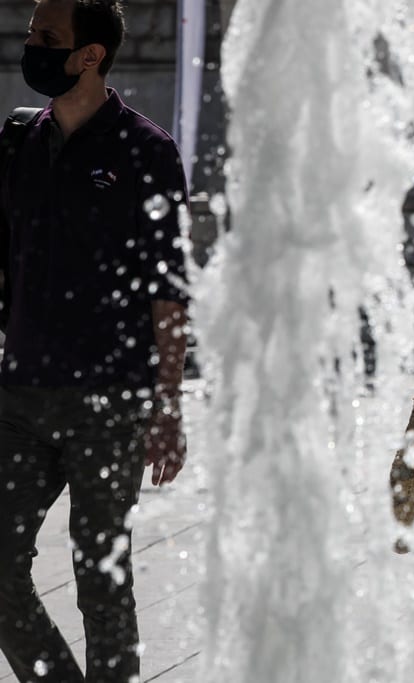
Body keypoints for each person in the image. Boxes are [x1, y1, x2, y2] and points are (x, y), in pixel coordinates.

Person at [0, 1, 189, 680]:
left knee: (101, 577)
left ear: (90, 55)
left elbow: (170, 289)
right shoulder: (18, 141)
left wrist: (168, 407)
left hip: (110, 402)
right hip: (19, 396)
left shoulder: (146, 150)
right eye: (30, 37)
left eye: (47, 39)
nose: (33, 48)